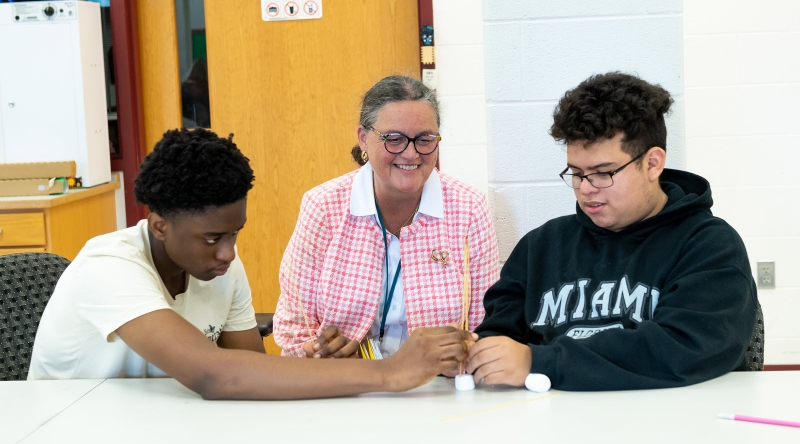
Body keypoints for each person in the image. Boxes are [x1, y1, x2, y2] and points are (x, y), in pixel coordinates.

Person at [28, 128, 475, 399]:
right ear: (160, 225)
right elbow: (215, 375)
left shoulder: (220, 264)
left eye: (234, 234)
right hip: (68, 426)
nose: (227, 252)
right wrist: (388, 371)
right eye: (211, 238)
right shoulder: (107, 267)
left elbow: (252, 372)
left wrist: (321, 366)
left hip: (158, 424)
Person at [467, 72, 761, 391]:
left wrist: (538, 362)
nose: (586, 189)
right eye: (576, 173)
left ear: (652, 163)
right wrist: (473, 352)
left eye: (603, 173)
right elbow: (498, 338)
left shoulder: (709, 244)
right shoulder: (539, 247)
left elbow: (686, 348)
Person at [273, 75, 499, 362]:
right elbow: (293, 330)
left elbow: (486, 327)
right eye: (394, 139)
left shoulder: (469, 209)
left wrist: (463, 351)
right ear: (363, 138)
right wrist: (320, 352)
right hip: (348, 386)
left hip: (438, 386)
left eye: (424, 139)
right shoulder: (324, 207)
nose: (410, 153)